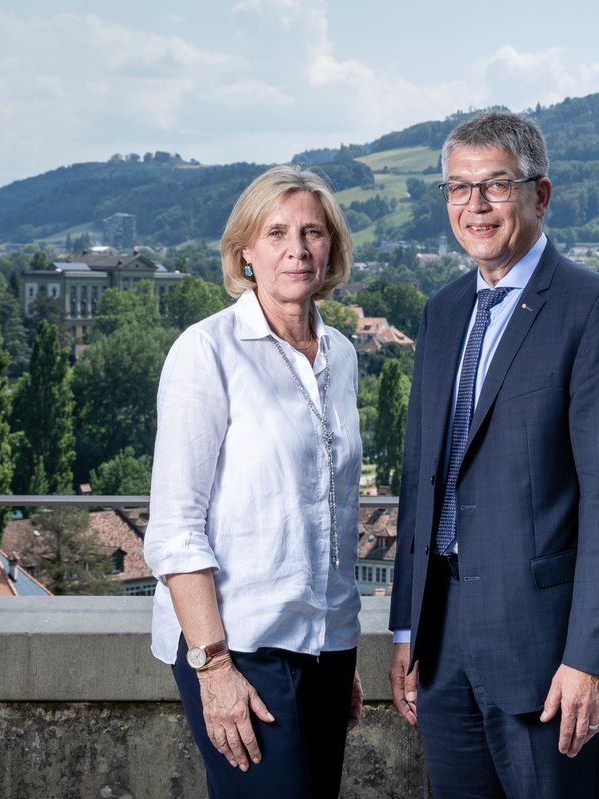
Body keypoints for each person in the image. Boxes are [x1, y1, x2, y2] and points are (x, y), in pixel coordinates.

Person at [388, 111, 599, 798]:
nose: (473, 206)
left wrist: (591, 658)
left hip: (545, 654)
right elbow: (421, 480)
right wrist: (405, 626)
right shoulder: (441, 311)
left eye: (495, 185)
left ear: (540, 195)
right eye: (458, 188)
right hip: (442, 645)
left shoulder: (593, 307)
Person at [144, 164, 363, 798]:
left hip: (325, 647)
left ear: (332, 248)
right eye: (276, 232)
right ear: (245, 252)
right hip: (239, 647)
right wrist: (213, 667)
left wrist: (337, 647)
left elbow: (334, 512)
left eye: (313, 232)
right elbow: (176, 527)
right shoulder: (206, 350)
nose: (297, 249)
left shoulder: (341, 355)